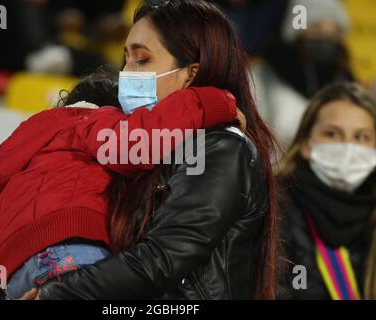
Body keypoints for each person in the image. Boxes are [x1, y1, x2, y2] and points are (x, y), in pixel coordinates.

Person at [24, 0, 282, 300]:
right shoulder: (141, 151)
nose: (127, 74)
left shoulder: (221, 147)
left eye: (142, 59)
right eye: (126, 60)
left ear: (191, 73)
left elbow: (162, 259)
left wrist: (55, 295)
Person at [0, 67, 239, 299]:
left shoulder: (28, 143)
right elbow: (142, 141)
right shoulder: (92, 121)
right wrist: (213, 102)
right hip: (71, 250)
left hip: (14, 275)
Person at [278, 82, 376, 299]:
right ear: (305, 143)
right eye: (332, 134)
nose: (348, 148)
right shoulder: (274, 207)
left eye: (361, 137)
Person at [252, 0, 354, 146]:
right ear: (296, 32)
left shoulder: (344, 80)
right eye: (316, 27)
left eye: (335, 31)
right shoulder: (263, 76)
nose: (325, 37)